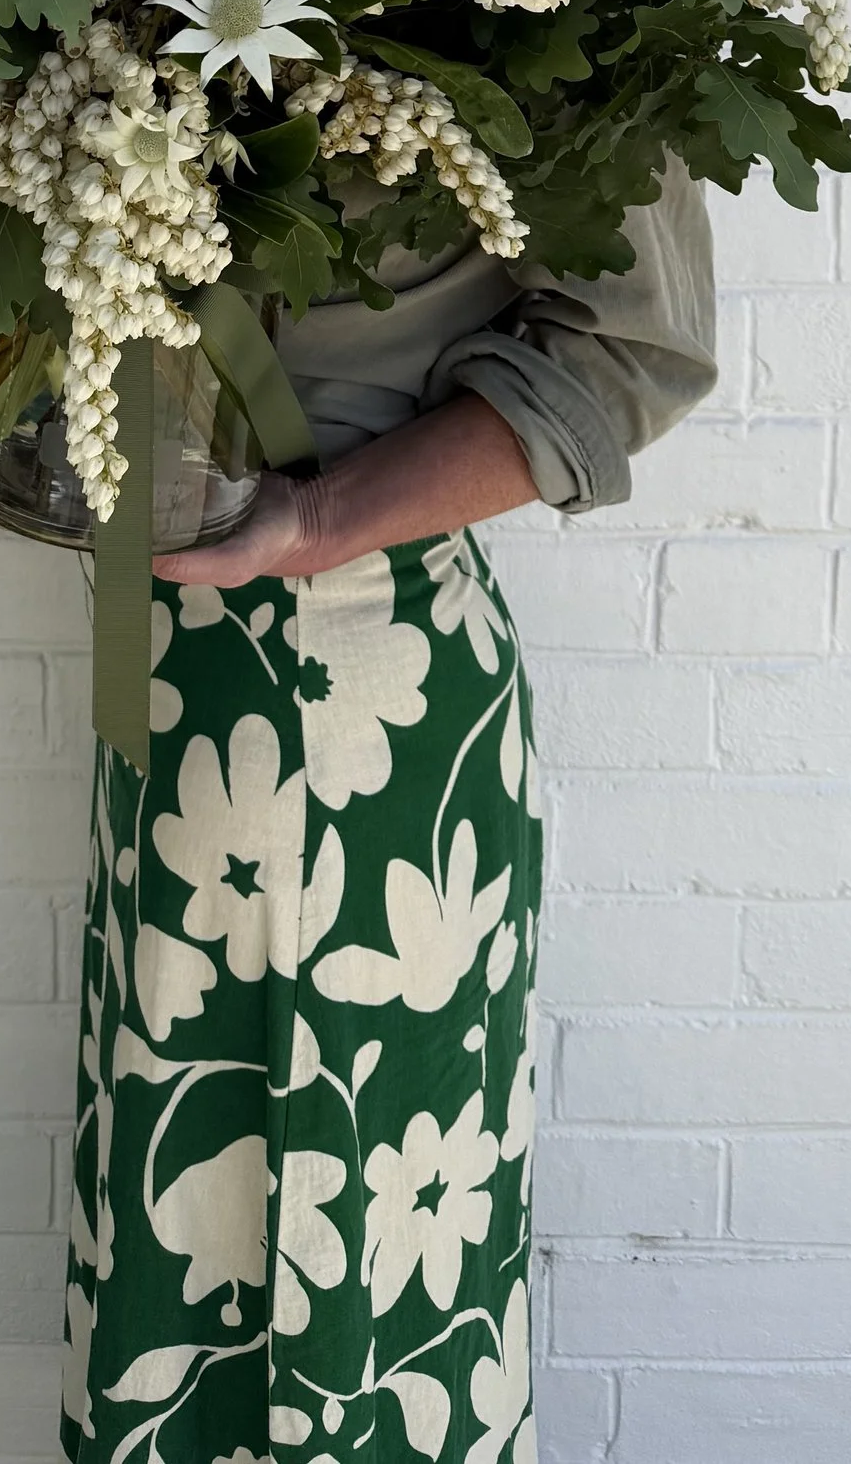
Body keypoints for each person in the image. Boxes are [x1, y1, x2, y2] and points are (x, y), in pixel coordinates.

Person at [56, 155, 716, 1464]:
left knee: (366, 1281)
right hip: (168, 697)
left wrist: (313, 521)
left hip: (366, 702)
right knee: (175, 1254)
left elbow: (635, 349)